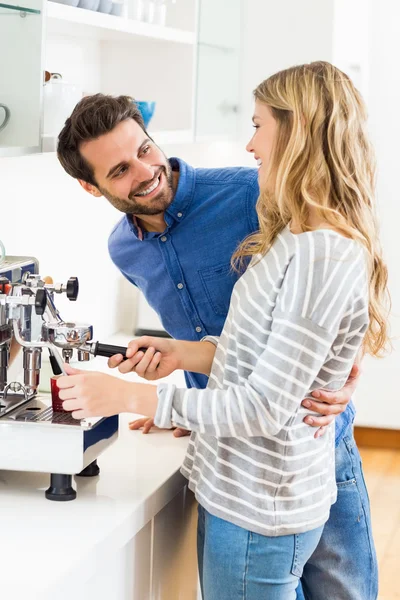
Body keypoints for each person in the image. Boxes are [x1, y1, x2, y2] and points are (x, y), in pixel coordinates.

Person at [55, 62, 385, 599]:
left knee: (345, 590)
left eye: (143, 149)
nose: (144, 171)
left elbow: (338, 271)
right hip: (230, 445)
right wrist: (183, 369)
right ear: (92, 188)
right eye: (117, 171)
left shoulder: (252, 193)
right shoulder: (124, 248)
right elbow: (251, 341)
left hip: (311, 432)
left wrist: (350, 370)